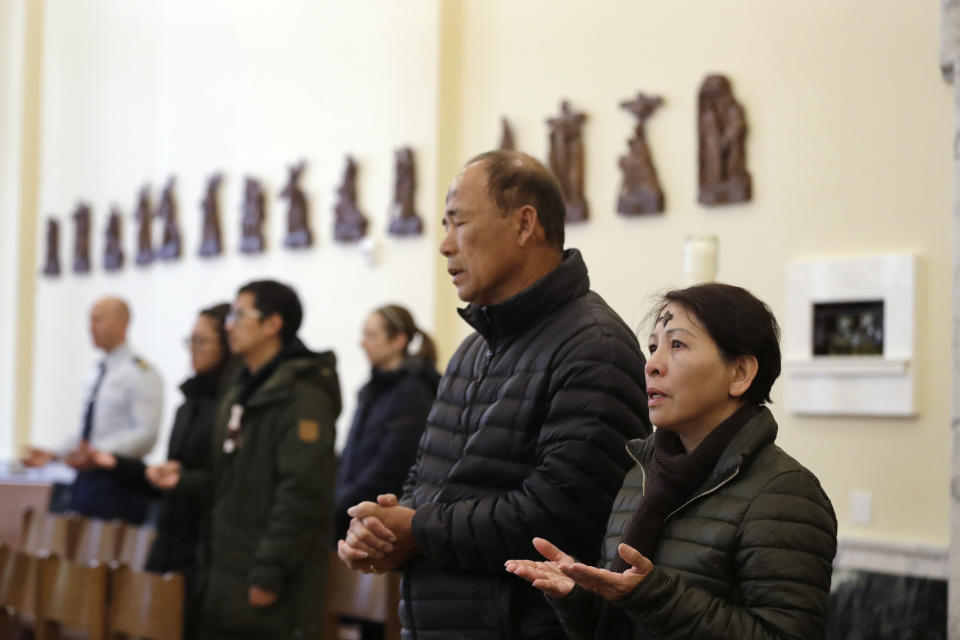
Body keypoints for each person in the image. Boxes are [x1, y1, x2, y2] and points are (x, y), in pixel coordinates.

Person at [338, 150, 652, 639]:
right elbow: (428, 484)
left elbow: (559, 515)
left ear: (525, 224)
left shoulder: (594, 346)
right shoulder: (472, 351)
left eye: (458, 223)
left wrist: (416, 529)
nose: (445, 245)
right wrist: (380, 529)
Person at [505, 283, 838, 639]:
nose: (652, 365)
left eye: (677, 345)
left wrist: (654, 597)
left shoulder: (784, 493)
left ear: (740, 373)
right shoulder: (641, 476)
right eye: (652, 347)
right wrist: (579, 598)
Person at [151, 280, 341, 640]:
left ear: (273, 324)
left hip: (271, 586)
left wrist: (269, 573)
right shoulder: (240, 390)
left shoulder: (303, 396)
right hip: (224, 575)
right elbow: (229, 481)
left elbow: (301, 496)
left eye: (240, 314)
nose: (229, 324)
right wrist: (185, 479)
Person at [82, 302, 230, 639]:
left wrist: (179, 480)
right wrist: (119, 465)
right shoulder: (188, 403)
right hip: (171, 541)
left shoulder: (231, 407)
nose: (192, 350)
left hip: (207, 551)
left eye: (201, 341)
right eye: (190, 341)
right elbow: (167, 479)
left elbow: (227, 484)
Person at [22, 296, 163, 524]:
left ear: (122, 323)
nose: (91, 328)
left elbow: (146, 435)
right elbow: (88, 431)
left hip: (119, 485)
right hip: (87, 481)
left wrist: (97, 454)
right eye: (90, 320)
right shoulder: (97, 371)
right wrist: (55, 454)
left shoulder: (141, 373)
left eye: (98, 320)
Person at [334, 304, 440, 542]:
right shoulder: (370, 389)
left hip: (384, 517)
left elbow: (394, 464)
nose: (362, 343)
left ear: (399, 340)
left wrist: (344, 505)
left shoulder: (414, 392)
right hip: (353, 511)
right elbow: (353, 454)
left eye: (371, 335)